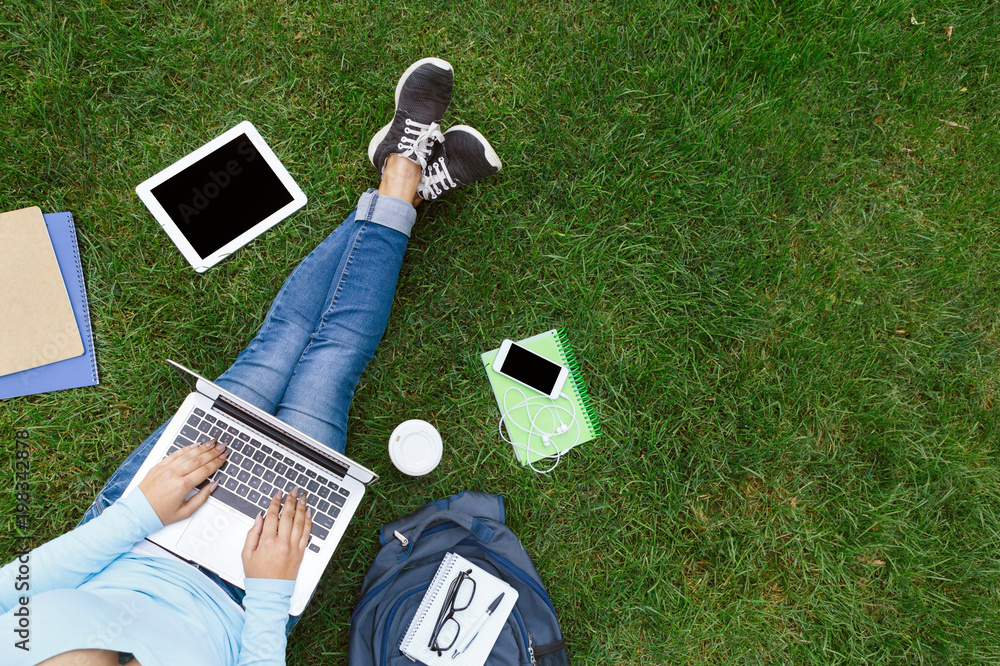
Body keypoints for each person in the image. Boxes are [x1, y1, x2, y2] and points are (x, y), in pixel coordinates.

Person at [0, 57, 502, 666]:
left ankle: (402, 177)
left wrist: (138, 513)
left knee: (280, 342)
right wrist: (267, 591)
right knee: (330, 367)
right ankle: (403, 179)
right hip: (244, 591)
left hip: (136, 533)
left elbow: (21, 587)